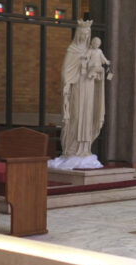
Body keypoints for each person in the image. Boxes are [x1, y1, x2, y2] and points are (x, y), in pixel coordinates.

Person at [53, 19, 107, 169]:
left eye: (87, 33)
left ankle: (84, 149)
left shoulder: (93, 51)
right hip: (77, 88)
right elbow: (66, 72)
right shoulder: (73, 50)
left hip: (89, 89)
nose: (85, 36)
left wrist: (98, 73)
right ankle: (71, 149)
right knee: (76, 117)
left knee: (87, 117)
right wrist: (77, 74)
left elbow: (99, 66)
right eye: (82, 33)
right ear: (78, 34)